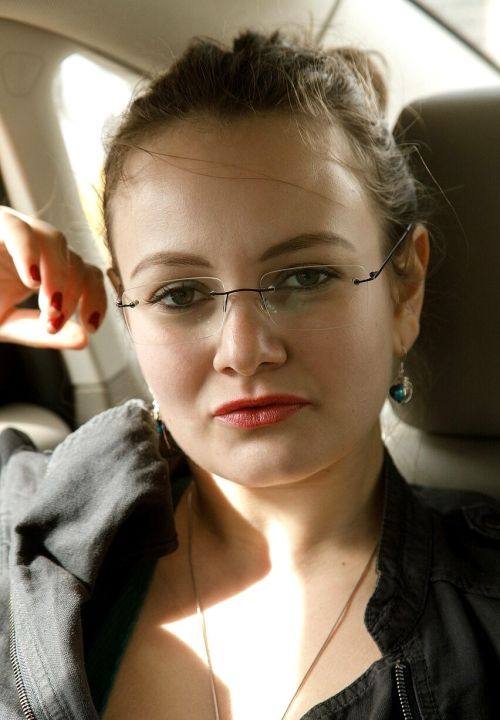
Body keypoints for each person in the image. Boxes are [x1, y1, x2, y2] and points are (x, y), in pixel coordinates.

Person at [0, 26, 499, 720]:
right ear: (128, 309)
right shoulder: (24, 528)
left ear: (403, 289)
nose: (244, 350)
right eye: (180, 294)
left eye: (304, 276)